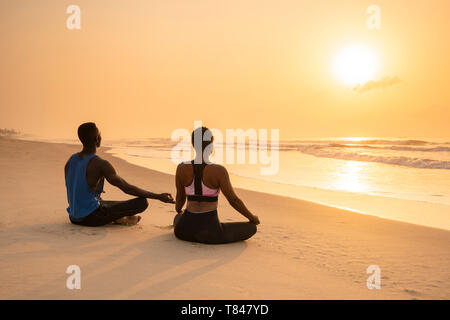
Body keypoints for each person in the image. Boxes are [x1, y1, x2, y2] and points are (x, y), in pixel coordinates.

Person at [65, 122, 174, 227]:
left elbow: (76, 187)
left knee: (100, 200)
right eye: (100, 135)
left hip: (74, 217)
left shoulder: (71, 160)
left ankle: (117, 218)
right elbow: (127, 188)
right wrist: (158, 196)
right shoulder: (101, 164)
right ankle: (119, 218)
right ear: (97, 139)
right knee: (142, 202)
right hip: (91, 218)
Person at [173, 126, 260, 244]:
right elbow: (234, 200)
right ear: (210, 145)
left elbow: (180, 200)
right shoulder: (219, 171)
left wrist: (179, 210)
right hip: (210, 232)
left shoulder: (181, 168)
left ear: (193, 145)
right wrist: (252, 218)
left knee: (178, 217)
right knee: (251, 228)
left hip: (184, 231)